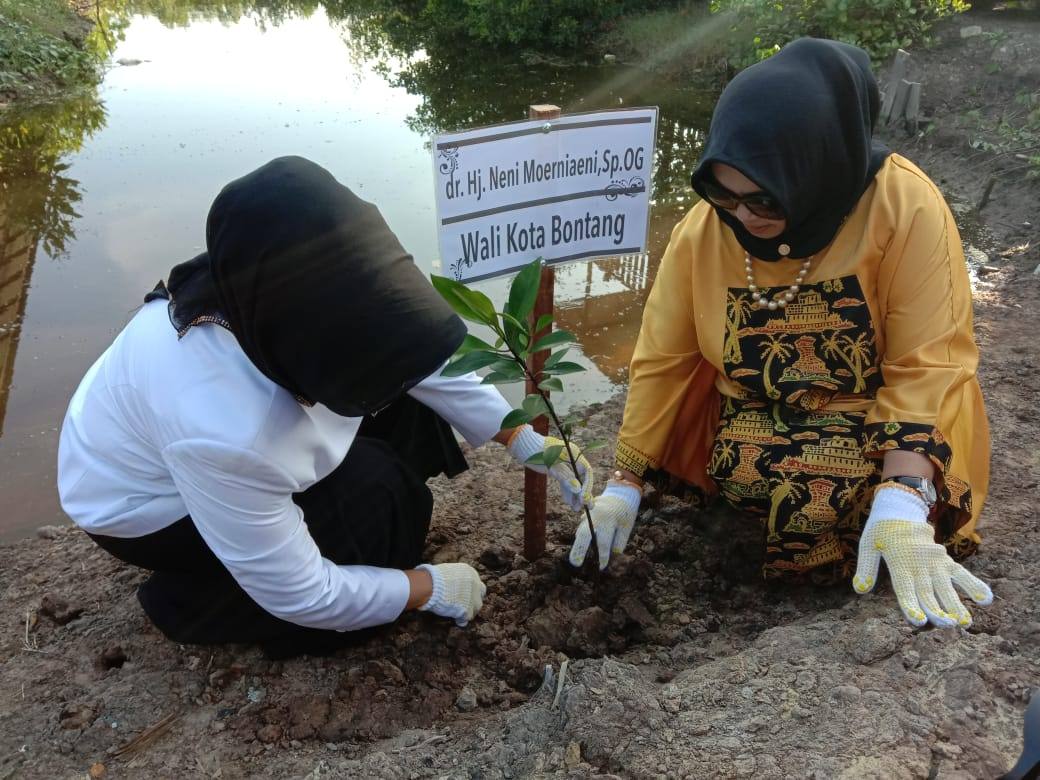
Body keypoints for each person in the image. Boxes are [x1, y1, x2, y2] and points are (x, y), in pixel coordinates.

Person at [57, 156, 591, 658]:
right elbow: (303, 594)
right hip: (143, 511)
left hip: (180, 447)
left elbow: (414, 348)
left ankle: (268, 541)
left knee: (403, 391)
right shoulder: (224, 430)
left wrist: (521, 437)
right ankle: (196, 597)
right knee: (375, 495)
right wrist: (424, 588)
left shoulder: (285, 285)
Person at [569, 38, 994, 629]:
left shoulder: (906, 208)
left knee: (841, 494)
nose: (742, 216)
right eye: (722, 195)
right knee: (744, 472)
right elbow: (663, 357)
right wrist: (625, 482)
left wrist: (902, 495)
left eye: (764, 197)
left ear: (816, 164)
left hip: (873, 422)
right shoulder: (704, 231)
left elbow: (932, 362)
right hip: (757, 414)